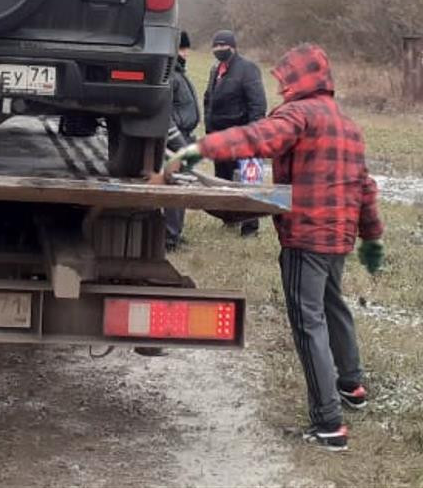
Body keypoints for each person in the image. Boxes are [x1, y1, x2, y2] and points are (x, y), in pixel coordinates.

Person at [168, 44, 385, 452]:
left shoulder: (299, 115)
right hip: (339, 236)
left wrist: (200, 149)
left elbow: (258, 138)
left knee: (309, 322)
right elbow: (366, 187)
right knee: (333, 305)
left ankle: (328, 425)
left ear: (300, 80)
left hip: (306, 235)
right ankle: (352, 386)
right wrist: (371, 237)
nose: (281, 85)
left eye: (286, 78)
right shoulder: (348, 125)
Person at [202, 29, 267, 236]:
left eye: (224, 46)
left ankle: (250, 227)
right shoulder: (216, 70)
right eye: (216, 46)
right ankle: (229, 218)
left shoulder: (248, 69)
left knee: (249, 179)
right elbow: (208, 100)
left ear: (233, 47)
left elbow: (258, 104)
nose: (219, 49)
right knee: (223, 179)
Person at [164, 31, 200, 249]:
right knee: (175, 188)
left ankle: (176, 232)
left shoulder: (180, 73)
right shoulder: (172, 77)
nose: (186, 53)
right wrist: (178, 142)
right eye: (183, 49)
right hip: (176, 140)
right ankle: (169, 237)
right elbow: (165, 114)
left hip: (185, 136)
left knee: (183, 186)